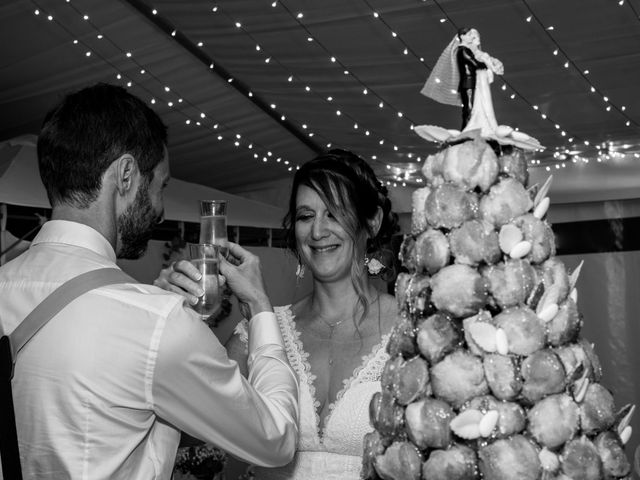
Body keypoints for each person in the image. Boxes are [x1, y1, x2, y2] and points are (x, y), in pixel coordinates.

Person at [0, 83, 298, 479]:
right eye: (161, 186)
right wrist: (260, 308)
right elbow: (276, 441)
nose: (159, 210)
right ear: (125, 175)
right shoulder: (155, 322)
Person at [157, 149, 400, 479]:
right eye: (305, 216)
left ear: (371, 221)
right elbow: (186, 429)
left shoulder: (409, 331)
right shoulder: (260, 331)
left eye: (334, 213)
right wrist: (170, 320)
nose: (317, 231)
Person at [421, 27, 504, 134]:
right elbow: (474, 63)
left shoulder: (467, 50)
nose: (472, 37)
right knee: (469, 109)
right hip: (468, 83)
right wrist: (485, 64)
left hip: (473, 83)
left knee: (473, 108)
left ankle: (470, 130)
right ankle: (466, 131)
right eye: (470, 35)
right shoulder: (462, 50)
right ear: (462, 37)